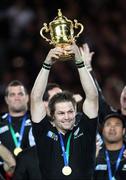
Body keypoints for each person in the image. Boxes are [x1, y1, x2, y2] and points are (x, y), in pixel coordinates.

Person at [31, 43, 98, 180]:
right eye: (61, 113)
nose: (67, 117)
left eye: (70, 112)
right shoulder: (44, 132)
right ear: (52, 115)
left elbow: (93, 97)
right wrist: (47, 63)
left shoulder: (85, 130)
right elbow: (35, 98)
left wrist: (79, 62)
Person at [94, 112, 126, 180]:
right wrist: (91, 161)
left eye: (117, 124)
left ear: (123, 131)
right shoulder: (95, 153)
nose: (112, 128)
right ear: (102, 130)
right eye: (108, 124)